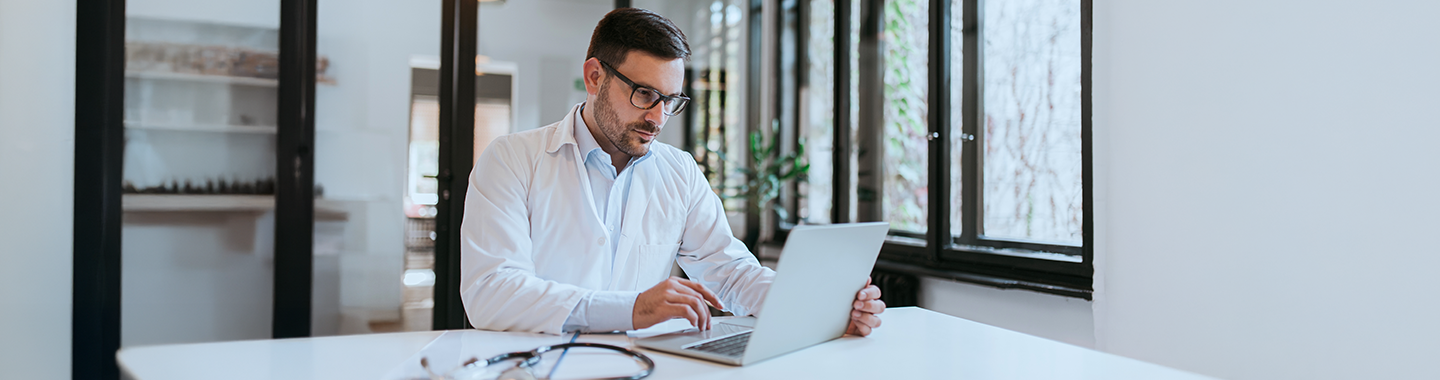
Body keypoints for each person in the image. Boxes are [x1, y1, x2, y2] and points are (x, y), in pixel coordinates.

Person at [459, 8, 884, 336]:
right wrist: (633, 308)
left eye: (671, 100)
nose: (659, 117)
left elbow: (730, 272)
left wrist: (819, 307)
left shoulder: (678, 171)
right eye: (644, 94)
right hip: (538, 367)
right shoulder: (512, 160)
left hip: (646, 367)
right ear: (594, 77)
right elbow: (491, 292)